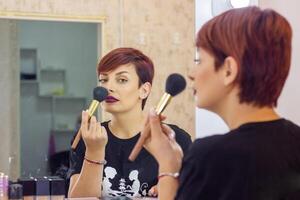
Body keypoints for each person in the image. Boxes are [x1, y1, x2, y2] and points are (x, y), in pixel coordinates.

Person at [138, 6, 300, 200]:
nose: (191, 73)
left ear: (229, 70)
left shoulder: (212, 157)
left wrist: (168, 167)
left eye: (199, 60)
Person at [67, 47, 192, 198]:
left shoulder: (175, 140)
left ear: (144, 90)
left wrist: (170, 186)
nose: (108, 88)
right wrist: (94, 152)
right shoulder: (89, 138)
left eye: (122, 80)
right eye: (103, 80)